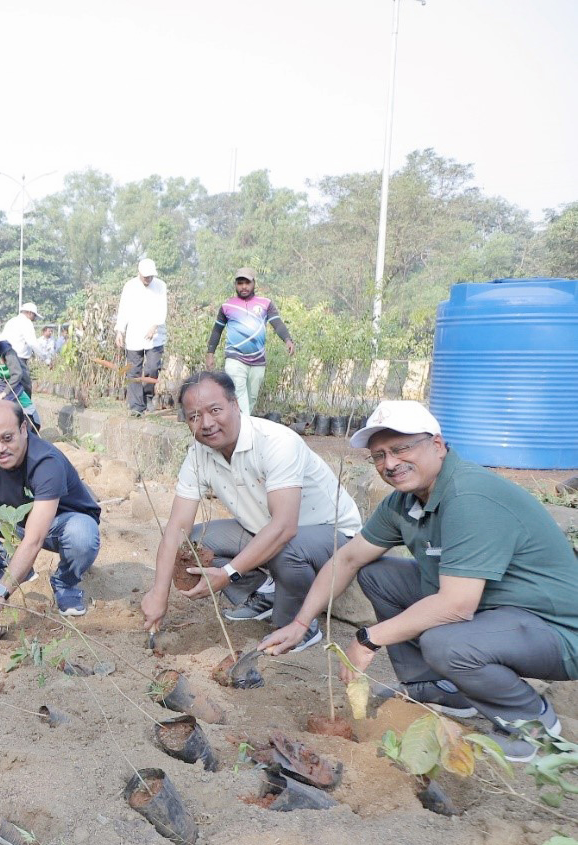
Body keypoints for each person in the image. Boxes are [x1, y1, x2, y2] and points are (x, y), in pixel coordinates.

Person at [261, 401, 578, 761]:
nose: (390, 464)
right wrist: (301, 623)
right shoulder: (405, 501)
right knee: (377, 574)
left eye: (401, 448)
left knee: (444, 642)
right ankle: (436, 687)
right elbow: (348, 558)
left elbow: (456, 605)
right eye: (379, 456)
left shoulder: (469, 496)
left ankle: (532, 725)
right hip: (496, 613)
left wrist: (367, 640)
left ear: (438, 445)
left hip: (557, 631)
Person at [141, 371, 361, 654]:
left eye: (215, 410)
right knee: (192, 545)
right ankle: (264, 594)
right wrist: (159, 592)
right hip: (267, 531)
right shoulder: (198, 453)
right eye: (194, 416)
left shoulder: (275, 441)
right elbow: (177, 527)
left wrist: (228, 573)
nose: (206, 423)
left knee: (285, 546)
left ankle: (299, 627)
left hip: (331, 537)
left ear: (236, 405)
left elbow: (284, 527)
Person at [0, 400, 101, 630]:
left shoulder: (45, 462)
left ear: (23, 429)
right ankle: (11, 566)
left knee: (82, 534)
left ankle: (65, 582)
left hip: (59, 524)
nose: (0, 449)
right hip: (17, 517)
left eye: (7, 438)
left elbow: (34, 540)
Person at [205, 267, 295, 416]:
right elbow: (217, 330)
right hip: (235, 359)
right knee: (240, 397)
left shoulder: (265, 304)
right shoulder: (227, 306)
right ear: (235, 285)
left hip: (258, 361)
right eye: (240, 283)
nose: (244, 287)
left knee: (251, 398)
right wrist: (210, 353)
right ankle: (245, 433)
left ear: (254, 283)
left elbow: (277, 323)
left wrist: (287, 340)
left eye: (247, 283)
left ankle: (239, 428)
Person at [115, 258, 169, 417]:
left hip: (155, 335)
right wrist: (120, 331)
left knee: (152, 367)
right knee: (133, 371)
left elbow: (162, 308)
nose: (148, 279)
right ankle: (136, 407)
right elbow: (123, 310)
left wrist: (155, 325)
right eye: (145, 276)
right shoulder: (129, 286)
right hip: (134, 334)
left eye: (150, 276)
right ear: (139, 273)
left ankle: (148, 396)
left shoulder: (160, 285)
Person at [0, 321, 37, 427]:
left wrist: (4, 393)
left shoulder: (7, 350)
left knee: (17, 410)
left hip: (18, 381)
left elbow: (17, 374)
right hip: (3, 381)